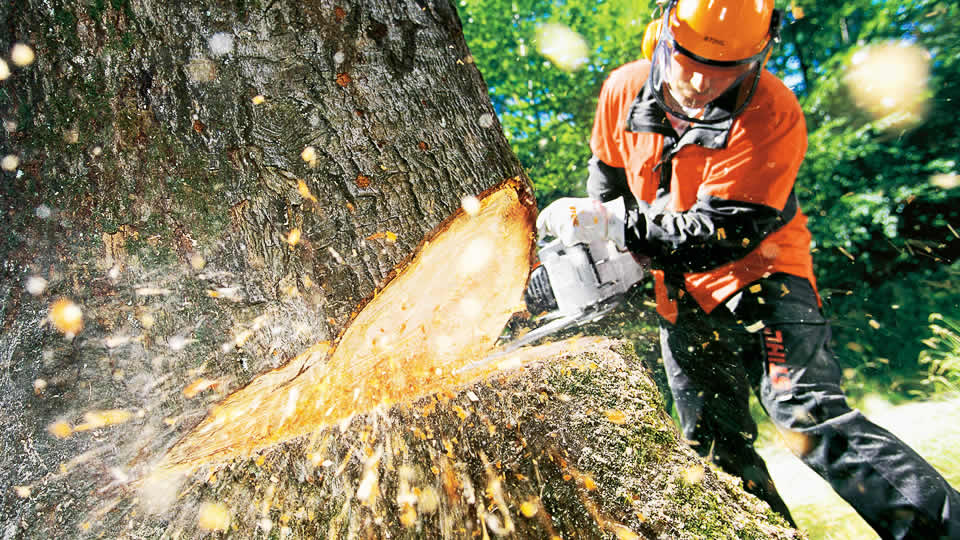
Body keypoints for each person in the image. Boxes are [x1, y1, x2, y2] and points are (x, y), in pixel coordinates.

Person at [535, 1, 960, 538]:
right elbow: (610, 189)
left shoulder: (773, 112)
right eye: (685, 60)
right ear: (662, 35)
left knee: (808, 417)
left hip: (767, 280)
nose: (696, 82)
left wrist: (620, 226)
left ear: (755, 59)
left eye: (721, 73)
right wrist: (603, 238)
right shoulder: (623, 90)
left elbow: (720, 235)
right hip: (679, 293)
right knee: (716, 451)